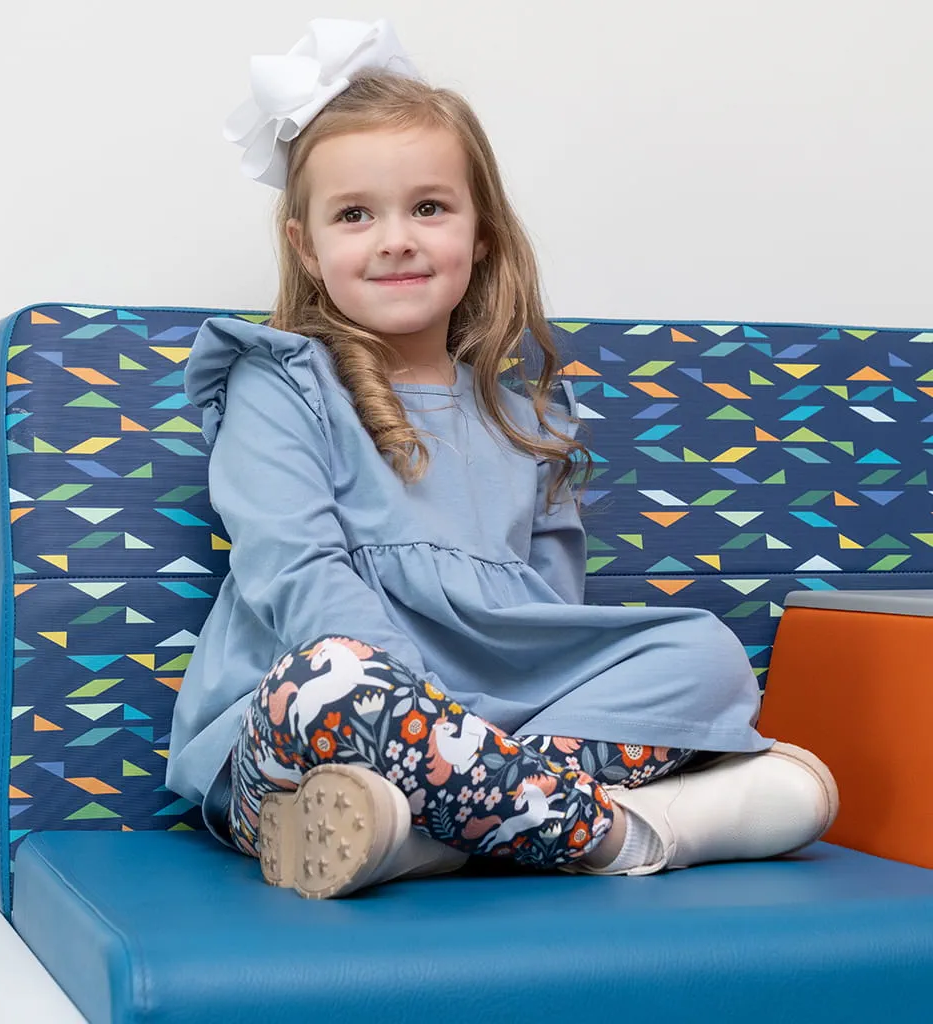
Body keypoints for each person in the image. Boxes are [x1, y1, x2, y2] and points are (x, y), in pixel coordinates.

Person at [166, 17, 837, 900]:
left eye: (429, 207)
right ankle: (639, 832)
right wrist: (428, 710)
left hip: (496, 729)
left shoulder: (527, 415)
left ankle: (436, 834)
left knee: (704, 651)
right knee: (334, 679)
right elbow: (294, 574)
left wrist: (474, 731)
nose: (396, 238)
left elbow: (554, 614)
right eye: (356, 214)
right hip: (315, 732)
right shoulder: (280, 381)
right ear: (306, 246)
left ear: (481, 232)